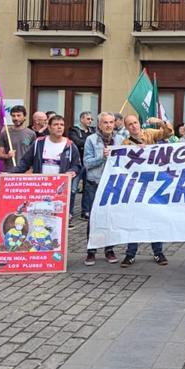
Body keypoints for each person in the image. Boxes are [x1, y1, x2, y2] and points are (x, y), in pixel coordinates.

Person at [120, 114, 174, 267]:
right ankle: (130, 254)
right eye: (129, 124)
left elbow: (168, 133)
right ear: (126, 127)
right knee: (134, 219)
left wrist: (161, 122)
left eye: (135, 123)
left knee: (154, 218)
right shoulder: (125, 143)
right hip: (136, 186)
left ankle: (158, 252)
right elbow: (124, 163)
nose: (133, 126)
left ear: (139, 123)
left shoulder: (150, 133)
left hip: (153, 184)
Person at [82, 112, 125, 265]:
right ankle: (91, 251)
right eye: (105, 122)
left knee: (110, 217)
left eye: (111, 122)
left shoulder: (120, 139)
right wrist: (102, 156)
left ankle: (109, 249)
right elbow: (87, 163)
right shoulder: (91, 140)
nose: (108, 125)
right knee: (94, 218)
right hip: (95, 183)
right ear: (99, 124)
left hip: (113, 184)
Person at [0, 104, 37, 173]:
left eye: (19, 115)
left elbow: (34, 155)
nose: (16, 118)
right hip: (10, 171)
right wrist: (7, 156)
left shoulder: (31, 134)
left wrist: (31, 169)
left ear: (24, 117)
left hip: (25, 172)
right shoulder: (5, 133)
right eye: (13, 116)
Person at [67, 110, 95, 198]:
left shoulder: (93, 131)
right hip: (77, 162)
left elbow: (97, 142)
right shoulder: (74, 130)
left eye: (91, 119)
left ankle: (85, 211)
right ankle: (70, 210)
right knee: (73, 188)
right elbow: (76, 142)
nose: (90, 121)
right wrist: (90, 144)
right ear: (82, 119)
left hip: (89, 163)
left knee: (88, 188)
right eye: (88, 119)